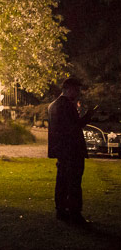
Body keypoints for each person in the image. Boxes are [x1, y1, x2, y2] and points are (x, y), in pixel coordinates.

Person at [47, 77, 94, 225]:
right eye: (76, 89)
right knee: (74, 182)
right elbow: (74, 126)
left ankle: (61, 210)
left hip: (61, 150)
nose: (78, 92)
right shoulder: (66, 106)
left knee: (62, 180)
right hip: (72, 150)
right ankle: (75, 213)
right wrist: (88, 116)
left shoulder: (53, 105)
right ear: (68, 88)